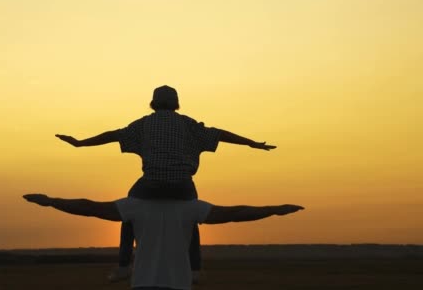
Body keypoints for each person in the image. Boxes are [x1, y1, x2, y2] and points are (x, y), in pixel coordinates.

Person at [55, 85, 276, 281]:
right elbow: (220, 134)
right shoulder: (188, 124)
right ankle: (195, 269)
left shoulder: (144, 124)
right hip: (182, 185)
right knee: (192, 217)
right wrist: (251, 144)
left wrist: (81, 143)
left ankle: (123, 265)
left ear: (153, 104)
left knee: (128, 211)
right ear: (176, 104)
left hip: (150, 184)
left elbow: (113, 135)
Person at [23, 193, 304, 290]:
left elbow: (88, 207)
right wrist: (275, 209)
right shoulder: (190, 207)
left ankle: (123, 268)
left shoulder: (134, 206)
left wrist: (51, 202)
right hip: (177, 283)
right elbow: (235, 214)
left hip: (145, 281)